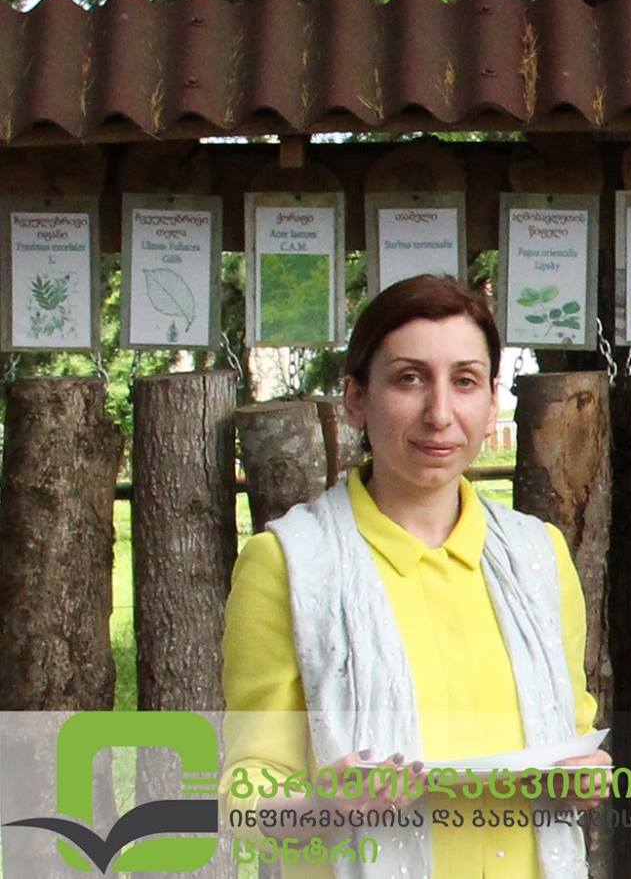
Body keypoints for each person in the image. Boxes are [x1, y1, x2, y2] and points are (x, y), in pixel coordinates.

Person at [222, 274, 609, 878]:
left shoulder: (538, 557)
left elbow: (572, 737)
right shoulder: (289, 564)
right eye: (409, 378)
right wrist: (325, 805)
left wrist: (582, 778)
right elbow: (248, 794)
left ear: (491, 400)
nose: (439, 414)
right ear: (355, 398)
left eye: (465, 381)